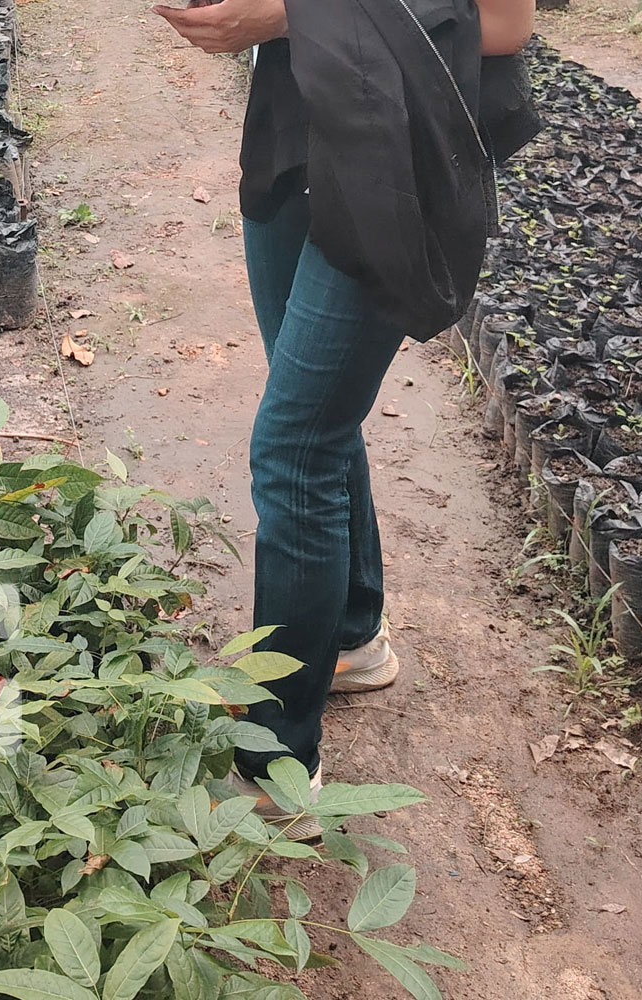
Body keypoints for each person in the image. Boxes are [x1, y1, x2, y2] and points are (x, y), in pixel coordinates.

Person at [154, 0, 538, 836]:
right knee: (318, 426)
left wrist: (286, 16)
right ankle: (355, 636)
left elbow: (506, 23)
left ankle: (275, 768)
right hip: (297, 127)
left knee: (293, 448)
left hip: (395, 158)